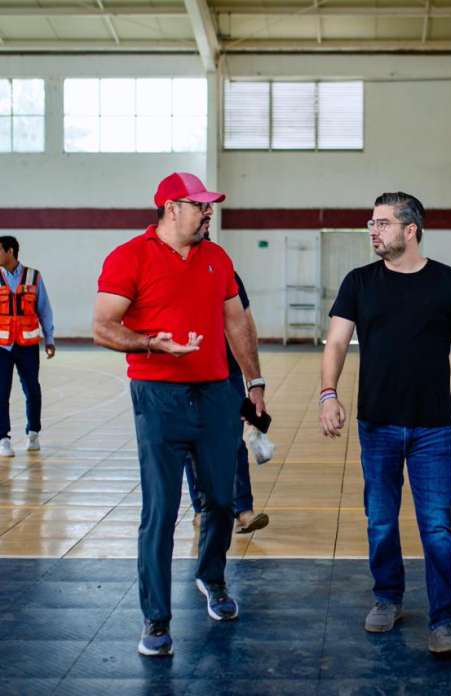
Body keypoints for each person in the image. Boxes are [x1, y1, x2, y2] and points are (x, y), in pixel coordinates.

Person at [93, 172, 267, 657]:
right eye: (200, 205)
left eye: (209, 205)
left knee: (221, 500)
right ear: (172, 208)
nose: (209, 212)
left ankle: (212, 578)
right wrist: (152, 343)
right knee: (161, 509)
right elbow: (103, 326)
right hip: (158, 396)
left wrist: (254, 382)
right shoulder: (129, 257)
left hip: (216, 394)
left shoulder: (217, 258)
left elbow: (237, 322)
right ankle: (156, 619)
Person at [320, 192, 451, 656]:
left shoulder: (449, 282)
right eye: (371, 224)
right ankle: (387, 597)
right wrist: (328, 394)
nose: (373, 231)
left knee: (436, 527)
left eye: (382, 223)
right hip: (377, 425)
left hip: (432, 428)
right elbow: (336, 342)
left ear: (410, 229)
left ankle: (445, 620)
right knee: (380, 521)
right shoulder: (359, 282)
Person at [185, 267, 269, 535]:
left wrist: (254, 380)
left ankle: (243, 511)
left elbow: (246, 323)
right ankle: (201, 510)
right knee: (192, 442)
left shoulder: (224, 271)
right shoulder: (169, 271)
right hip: (184, 370)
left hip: (226, 371)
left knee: (233, 441)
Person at [0, 236, 55, 456]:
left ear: (10, 251)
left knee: (32, 389)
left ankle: (33, 433)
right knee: (1, 392)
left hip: (27, 345)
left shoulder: (33, 276)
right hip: (2, 346)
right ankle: (3, 439)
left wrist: (49, 339)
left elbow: (44, 309)